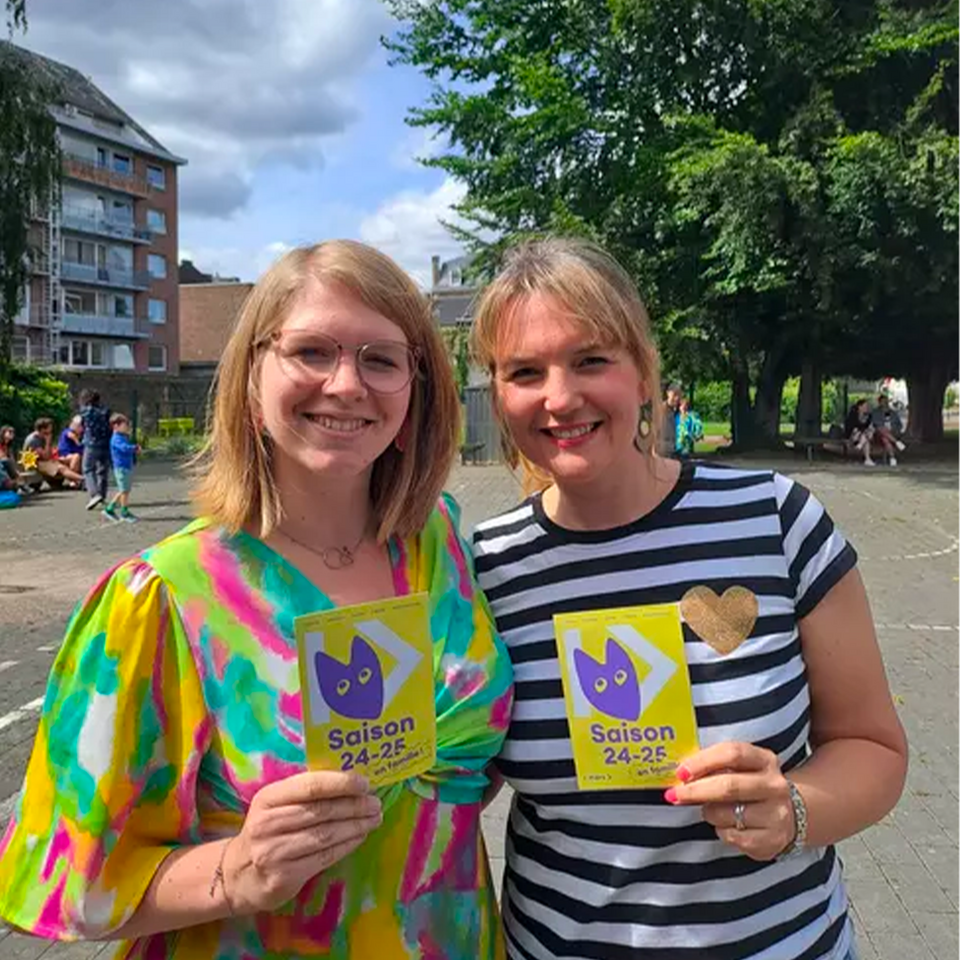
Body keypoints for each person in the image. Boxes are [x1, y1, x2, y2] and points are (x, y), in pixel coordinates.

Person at [0, 240, 513, 960]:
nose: (346, 384)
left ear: (415, 385)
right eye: (311, 351)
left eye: (380, 358)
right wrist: (235, 872)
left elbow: (457, 774)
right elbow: (50, 886)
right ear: (250, 377)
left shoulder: (439, 547)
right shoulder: (164, 599)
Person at [469, 237, 907, 960]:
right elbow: (457, 774)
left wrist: (795, 809)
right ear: (500, 394)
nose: (559, 396)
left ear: (644, 373)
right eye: (525, 371)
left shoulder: (774, 518)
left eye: (590, 360)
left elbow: (874, 747)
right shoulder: (486, 568)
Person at [21, 417, 84, 488]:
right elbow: (46, 457)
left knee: (72, 458)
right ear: (42, 429)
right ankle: (82, 479)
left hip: (43, 461)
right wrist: (48, 442)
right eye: (49, 428)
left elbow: (49, 455)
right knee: (61, 468)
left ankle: (75, 481)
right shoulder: (34, 440)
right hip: (33, 464)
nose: (51, 430)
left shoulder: (43, 436)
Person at [102, 412, 140, 523]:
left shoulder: (122, 437)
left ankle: (109, 509)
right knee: (124, 491)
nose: (127, 427)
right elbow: (123, 448)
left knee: (124, 490)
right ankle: (124, 513)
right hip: (121, 468)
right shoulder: (116, 438)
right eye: (124, 425)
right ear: (116, 426)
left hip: (126, 466)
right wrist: (134, 448)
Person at [79, 388, 112, 509]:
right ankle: (102, 495)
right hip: (105, 443)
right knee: (102, 470)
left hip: (91, 444)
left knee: (88, 469)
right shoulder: (106, 411)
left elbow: (82, 425)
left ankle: (94, 494)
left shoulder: (86, 411)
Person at [844, 398, 887, 466]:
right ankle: (867, 458)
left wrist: (866, 430)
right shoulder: (852, 415)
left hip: (863, 436)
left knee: (867, 436)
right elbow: (851, 428)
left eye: (867, 406)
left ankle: (867, 458)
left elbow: (868, 426)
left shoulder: (868, 416)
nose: (867, 408)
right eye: (865, 406)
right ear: (859, 407)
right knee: (864, 436)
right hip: (853, 437)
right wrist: (860, 430)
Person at [871, 394, 906, 463]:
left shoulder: (893, 413)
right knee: (881, 430)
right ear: (879, 402)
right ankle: (897, 442)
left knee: (885, 438)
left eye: (886, 401)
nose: (885, 403)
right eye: (883, 401)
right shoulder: (875, 412)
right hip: (879, 434)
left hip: (892, 433)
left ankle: (892, 458)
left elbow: (899, 425)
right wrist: (885, 428)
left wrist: (895, 429)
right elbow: (875, 423)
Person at [659, 383, 682, 457]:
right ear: (668, 393)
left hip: (671, 452)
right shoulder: (660, 410)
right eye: (675, 394)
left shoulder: (673, 411)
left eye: (679, 395)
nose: (677, 398)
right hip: (661, 453)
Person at [0, 424, 23, 492]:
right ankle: (20, 485)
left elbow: (12, 458)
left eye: (13, 433)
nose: (12, 434)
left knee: (9, 462)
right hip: (2, 463)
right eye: (9, 432)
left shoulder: (9, 446)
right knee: (6, 461)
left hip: (6, 464)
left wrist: (16, 469)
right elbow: (1, 456)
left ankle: (18, 484)